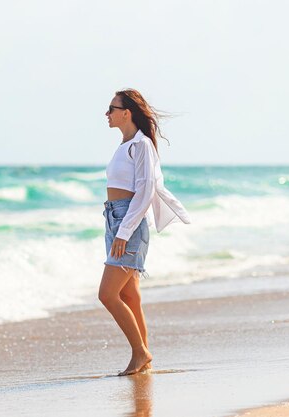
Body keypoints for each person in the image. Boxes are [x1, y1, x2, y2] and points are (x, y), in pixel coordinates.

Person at [98, 88, 191, 376]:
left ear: (126, 112)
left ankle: (141, 352)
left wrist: (124, 232)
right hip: (115, 219)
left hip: (128, 222)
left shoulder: (141, 146)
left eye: (111, 108)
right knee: (130, 295)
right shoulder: (125, 145)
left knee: (107, 294)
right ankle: (144, 357)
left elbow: (145, 191)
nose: (107, 113)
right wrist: (117, 227)